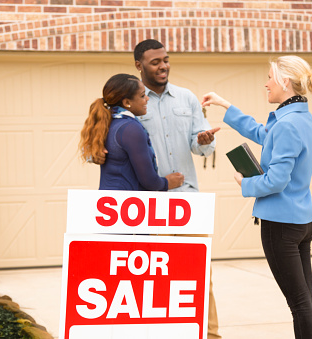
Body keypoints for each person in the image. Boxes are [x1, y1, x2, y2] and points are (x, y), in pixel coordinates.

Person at [201, 55, 312, 339]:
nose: (266, 83)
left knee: (299, 304)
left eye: (270, 77)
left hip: (280, 225)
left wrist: (245, 182)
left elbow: (276, 181)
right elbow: (262, 133)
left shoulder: (287, 125)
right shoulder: (302, 119)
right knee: (308, 300)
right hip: (302, 221)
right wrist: (225, 105)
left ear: (285, 81)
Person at [133, 39, 222, 339]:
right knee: (154, 277)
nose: (163, 66)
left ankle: (210, 335)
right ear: (139, 66)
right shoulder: (133, 100)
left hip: (187, 201)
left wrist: (205, 141)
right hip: (149, 203)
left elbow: (199, 146)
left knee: (198, 274)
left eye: (166, 60)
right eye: (156, 62)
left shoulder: (186, 98)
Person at [79, 73, 180, 191]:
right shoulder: (130, 128)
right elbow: (149, 181)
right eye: (142, 96)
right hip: (127, 204)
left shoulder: (110, 122)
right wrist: (167, 183)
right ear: (127, 102)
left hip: (109, 202)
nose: (147, 99)